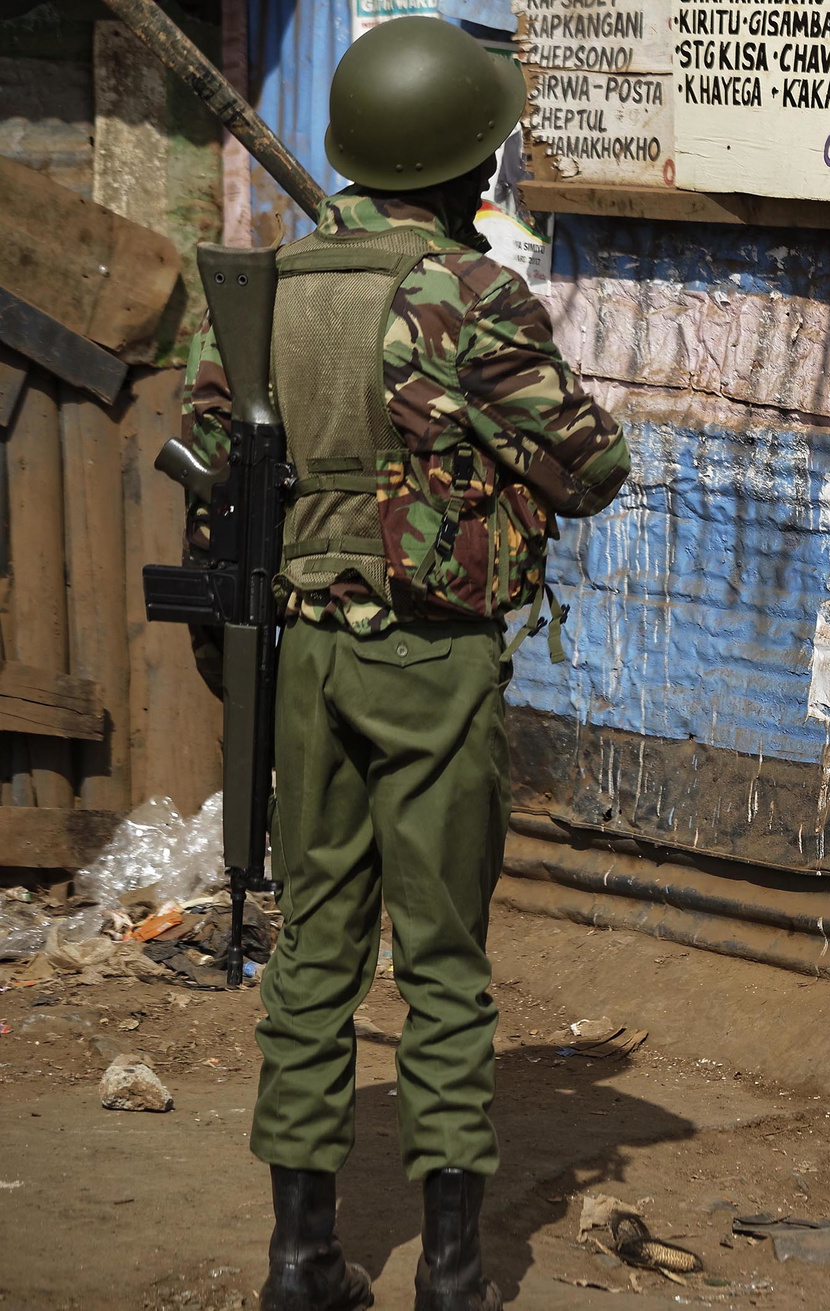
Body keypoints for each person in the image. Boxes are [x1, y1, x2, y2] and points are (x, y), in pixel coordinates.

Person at [180, 18, 631, 1311]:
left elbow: (211, 444)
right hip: (430, 663)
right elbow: (592, 468)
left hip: (303, 658)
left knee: (315, 948)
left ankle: (298, 1257)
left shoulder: (266, 284)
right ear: (464, 164)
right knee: (440, 959)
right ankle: (450, 1267)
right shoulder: (470, 295)